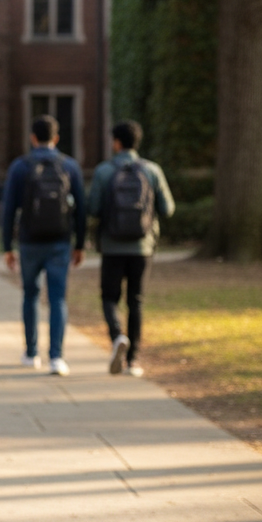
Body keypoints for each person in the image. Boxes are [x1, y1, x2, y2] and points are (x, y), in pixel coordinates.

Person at [88, 119, 175, 377]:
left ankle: (117, 337)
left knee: (109, 297)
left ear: (116, 143)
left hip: (112, 246)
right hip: (143, 246)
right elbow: (168, 209)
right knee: (136, 301)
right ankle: (133, 361)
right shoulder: (152, 170)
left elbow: (93, 208)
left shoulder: (104, 171)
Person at [1, 115, 86, 376]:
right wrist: (79, 244)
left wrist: (7, 246)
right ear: (56, 138)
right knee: (58, 298)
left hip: (29, 242)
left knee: (30, 295)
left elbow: (8, 210)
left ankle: (31, 352)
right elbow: (80, 209)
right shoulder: (69, 166)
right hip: (60, 241)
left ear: (33, 138)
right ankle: (57, 357)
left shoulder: (20, 166)